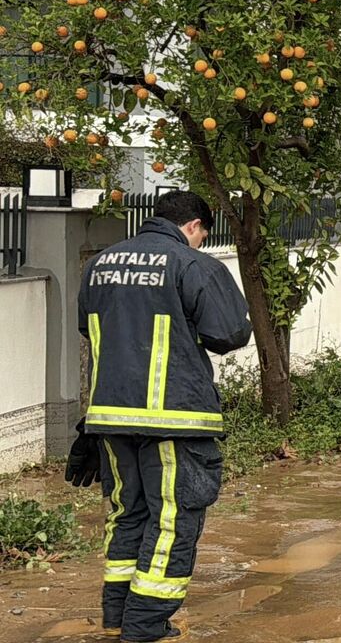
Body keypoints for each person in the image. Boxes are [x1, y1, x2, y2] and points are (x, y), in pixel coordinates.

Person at [64, 190, 251, 642]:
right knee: (173, 518)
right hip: (174, 420)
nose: (200, 242)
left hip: (108, 418)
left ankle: (116, 617)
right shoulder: (191, 264)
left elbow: (90, 328)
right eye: (202, 235)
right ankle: (146, 626)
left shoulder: (100, 265)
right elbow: (229, 333)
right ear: (194, 227)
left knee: (127, 514)